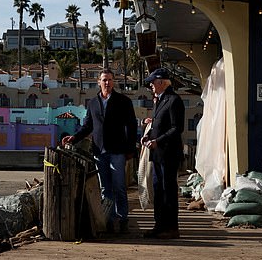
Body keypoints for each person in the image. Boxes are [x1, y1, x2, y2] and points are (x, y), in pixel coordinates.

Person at [62, 68, 138, 233]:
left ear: (113, 82)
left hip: (117, 150)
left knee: (119, 186)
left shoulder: (123, 101)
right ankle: (109, 220)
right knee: (105, 188)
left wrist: (131, 149)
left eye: (110, 80)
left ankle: (123, 220)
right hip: (99, 151)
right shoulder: (93, 103)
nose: (107, 83)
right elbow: (87, 126)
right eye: (104, 80)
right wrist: (74, 138)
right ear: (99, 82)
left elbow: (131, 126)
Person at [141, 67, 184, 239]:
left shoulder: (174, 100)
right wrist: (148, 137)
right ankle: (159, 225)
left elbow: (177, 128)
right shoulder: (160, 101)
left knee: (168, 191)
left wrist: (158, 141)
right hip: (157, 154)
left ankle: (172, 227)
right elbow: (159, 126)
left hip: (168, 154)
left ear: (161, 82)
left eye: (153, 82)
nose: (151, 85)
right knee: (159, 191)